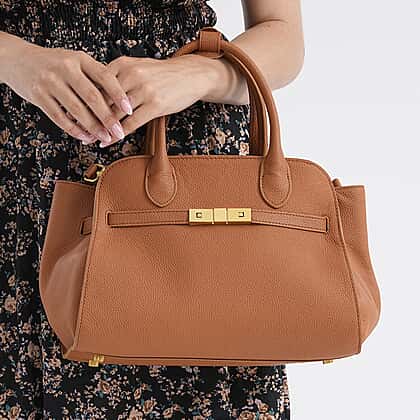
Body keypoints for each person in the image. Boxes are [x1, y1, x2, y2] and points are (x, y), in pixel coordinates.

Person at [0, 0, 304, 418]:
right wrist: (16, 58)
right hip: (21, 157)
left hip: (183, 145)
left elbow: (283, 35)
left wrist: (198, 72)